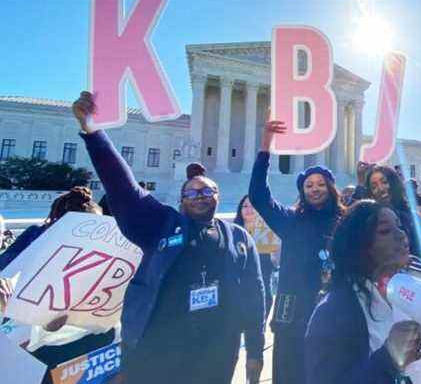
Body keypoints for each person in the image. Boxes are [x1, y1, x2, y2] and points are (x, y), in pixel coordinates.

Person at [72, 91, 265, 384]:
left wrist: (254, 349)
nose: (199, 196)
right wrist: (92, 131)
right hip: (157, 351)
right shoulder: (161, 225)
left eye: (207, 191)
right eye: (191, 192)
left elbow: (254, 295)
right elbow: (123, 187)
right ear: (181, 200)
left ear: (218, 197)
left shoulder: (238, 237)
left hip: (215, 354)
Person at [305, 200, 421, 384]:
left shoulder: (419, 279)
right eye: (385, 231)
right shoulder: (332, 312)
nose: (401, 235)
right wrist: (387, 358)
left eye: (400, 226)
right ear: (359, 245)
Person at [250, 119, 345, 384]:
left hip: (331, 312)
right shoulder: (290, 221)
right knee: (289, 374)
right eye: (308, 185)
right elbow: (258, 196)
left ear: (330, 188)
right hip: (290, 313)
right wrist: (265, 145)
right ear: (302, 191)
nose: (315, 189)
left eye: (320, 184)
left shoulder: (345, 221)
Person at [0, 187, 117, 384]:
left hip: (87, 347)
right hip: (37, 349)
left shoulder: (106, 256)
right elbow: (6, 270)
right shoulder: (36, 238)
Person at [364, 165, 421, 256]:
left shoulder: (414, 218)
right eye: (374, 187)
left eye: (384, 182)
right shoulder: (370, 220)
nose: (381, 189)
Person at [234, 195, 277, 317]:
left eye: (253, 206)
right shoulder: (232, 232)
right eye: (245, 206)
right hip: (237, 293)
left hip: (261, 293)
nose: (249, 209)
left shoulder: (269, 233)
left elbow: (275, 262)